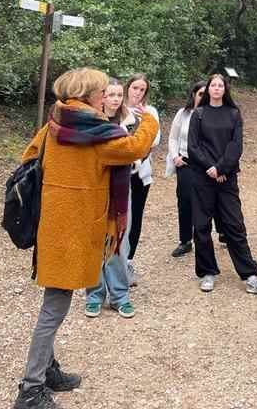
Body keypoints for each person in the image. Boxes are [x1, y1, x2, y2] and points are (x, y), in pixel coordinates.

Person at [13, 68, 158, 409]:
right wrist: (148, 119)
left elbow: (28, 159)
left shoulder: (55, 125)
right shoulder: (96, 134)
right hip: (74, 231)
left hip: (52, 226)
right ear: (90, 95)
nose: (104, 95)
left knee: (55, 299)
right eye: (100, 91)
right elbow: (136, 147)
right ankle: (31, 389)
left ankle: (47, 370)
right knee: (54, 306)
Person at [187, 73, 257, 297]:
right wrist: (211, 168)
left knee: (234, 225)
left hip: (227, 178)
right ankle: (207, 272)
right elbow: (193, 147)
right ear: (207, 89)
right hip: (203, 178)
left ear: (225, 89)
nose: (216, 88)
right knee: (202, 227)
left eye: (220, 85)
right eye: (212, 85)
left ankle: (250, 276)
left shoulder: (234, 114)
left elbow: (236, 145)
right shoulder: (199, 114)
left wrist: (222, 168)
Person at [84, 78, 136, 319]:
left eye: (118, 95)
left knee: (117, 242)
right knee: (94, 242)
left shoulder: (131, 121)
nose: (115, 99)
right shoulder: (91, 121)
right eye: (110, 94)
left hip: (121, 189)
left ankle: (119, 295)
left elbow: (139, 151)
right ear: (102, 97)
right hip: (94, 189)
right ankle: (94, 294)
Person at [124, 73, 160, 286]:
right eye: (135, 88)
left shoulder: (150, 112)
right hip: (117, 172)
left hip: (140, 173)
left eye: (142, 90)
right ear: (128, 87)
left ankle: (128, 260)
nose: (137, 92)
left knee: (135, 217)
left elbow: (155, 139)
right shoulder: (117, 108)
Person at [166, 80, 206, 257]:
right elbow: (173, 137)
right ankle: (185, 240)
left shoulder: (213, 114)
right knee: (184, 202)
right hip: (186, 164)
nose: (203, 97)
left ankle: (206, 239)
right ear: (193, 95)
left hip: (206, 165)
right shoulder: (183, 114)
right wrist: (175, 156)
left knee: (206, 203)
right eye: (200, 94)